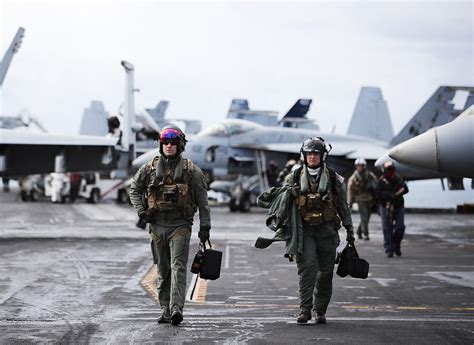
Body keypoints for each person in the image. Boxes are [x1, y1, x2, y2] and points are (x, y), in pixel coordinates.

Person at [129, 125, 211, 326]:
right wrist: (141, 211)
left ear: (180, 145)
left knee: (178, 268)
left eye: (173, 142)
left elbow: (203, 201)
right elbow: (134, 190)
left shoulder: (191, 171)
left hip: (179, 226)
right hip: (156, 227)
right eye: (165, 142)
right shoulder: (149, 168)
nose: (169, 145)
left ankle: (176, 309)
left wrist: (205, 227)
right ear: (160, 144)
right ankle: (165, 310)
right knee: (163, 270)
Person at [284, 137, 354, 324]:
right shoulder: (294, 177)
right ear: (303, 155)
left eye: (316, 153)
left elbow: (342, 205)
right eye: (309, 153)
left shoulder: (332, 177)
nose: (312, 157)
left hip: (327, 231)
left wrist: (349, 228)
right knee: (307, 269)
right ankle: (305, 310)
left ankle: (320, 310)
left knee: (325, 272)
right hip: (305, 231)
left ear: (322, 155)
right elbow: (282, 205)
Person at [375, 161, 408, 258]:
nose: (390, 171)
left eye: (391, 169)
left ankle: (396, 246)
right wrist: (389, 195)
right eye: (388, 169)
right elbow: (377, 194)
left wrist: (399, 193)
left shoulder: (398, 178)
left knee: (400, 227)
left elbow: (405, 188)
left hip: (398, 206)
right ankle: (389, 249)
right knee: (387, 228)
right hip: (385, 206)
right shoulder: (381, 181)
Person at [347, 158, 377, 240]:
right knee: (364, 216)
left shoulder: (369, 174)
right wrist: (350, 203)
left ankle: (359, 232)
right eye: (359, 166)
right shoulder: (353, 178)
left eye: (362, 166)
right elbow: (350, 191)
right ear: (356, 166)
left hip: (369, 198)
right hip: (360, 199)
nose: (360, 167)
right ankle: (365, 234)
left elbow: (375, 183)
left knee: (367, 216)